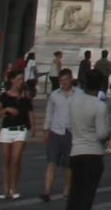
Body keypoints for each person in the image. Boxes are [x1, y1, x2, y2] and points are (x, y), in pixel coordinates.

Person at [67, 68, 111, 210]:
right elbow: (101, 134)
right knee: (87, 195)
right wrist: (108, 134)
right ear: (100, 85)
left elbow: (69, 126)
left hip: (76, 151)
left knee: (74, 193)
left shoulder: (73, 101)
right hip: (93, 152)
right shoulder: (99, 105)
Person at [0, 70, 35, 202]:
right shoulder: (5, 96)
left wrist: (33, 127)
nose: (20, 82)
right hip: (7, 129)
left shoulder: (25, 97)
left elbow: (30, 112)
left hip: (20, 129)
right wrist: (6, 110)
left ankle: (14, 188)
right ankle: (5, 190)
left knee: (16, 159)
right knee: (5, 160)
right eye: (18, 79)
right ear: (12, 80)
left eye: (22, 79)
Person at [42, 67, 76, 202]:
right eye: (62, 80)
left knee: (67, 164)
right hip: (56, 131)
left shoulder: (79, 94)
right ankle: (46, 191)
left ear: (71, 79)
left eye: (67, 79)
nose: (64, 83)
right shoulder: (54, 95)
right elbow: (49, 112)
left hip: (71, 132)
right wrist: (45, 129)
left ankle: (66, 189)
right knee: (51, 162)